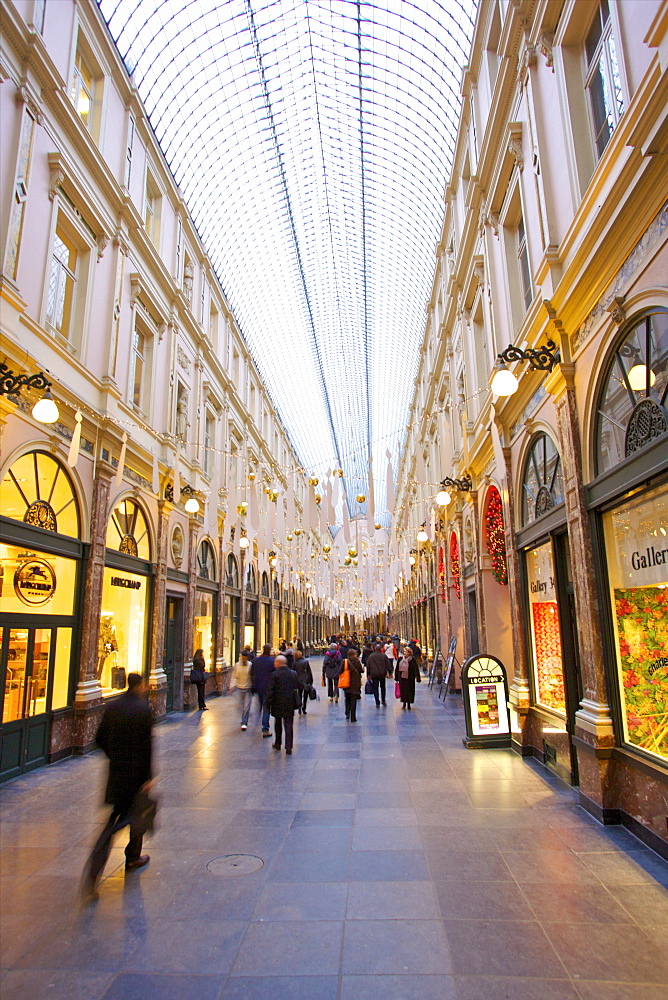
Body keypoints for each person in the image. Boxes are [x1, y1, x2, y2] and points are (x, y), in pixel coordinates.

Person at [81, 673, 154, 900]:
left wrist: (115, 758)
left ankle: (108, 866)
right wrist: (148, 778)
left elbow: (100, 738)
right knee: (136, 818)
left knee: (117, 821)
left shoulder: (113, 707)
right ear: (140, 686)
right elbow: (146, 748)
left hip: (117, 775)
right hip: (137, 779)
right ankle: (132, 858)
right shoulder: (143, 710)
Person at [266, 653, 298, 754]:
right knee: (289, 724)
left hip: (277, 702)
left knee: (278, 723)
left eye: (275, 662)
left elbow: (270, 690)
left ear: (279, 663)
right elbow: (296, 686)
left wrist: (268, 703)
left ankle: (278, 743)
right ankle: (289, 747)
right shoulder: (293, 673)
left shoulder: (274, 675)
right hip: (289, 702)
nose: (274, 664)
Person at [251, 643, 275, 736]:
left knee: (260, 706)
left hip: (258, 687)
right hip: (268, 688)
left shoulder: (255, 661)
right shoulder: (272, 661)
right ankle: (265, 728)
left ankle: (255, 723)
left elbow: (252, 674)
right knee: (266, 708)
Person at [231, 651, 253, 730]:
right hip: (239, 688)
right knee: (240, 706)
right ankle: (243, 718)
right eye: (242, 658)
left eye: (244, 658)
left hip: (248, 688)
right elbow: (234, 675)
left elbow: (252, 676)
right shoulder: (237, 665)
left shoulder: (250, 665)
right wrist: (232, 685)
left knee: (246, 707)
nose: (243, 660)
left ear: (247, 658)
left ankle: (244, 722)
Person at [344, 650, 362, 722]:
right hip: (355, 683)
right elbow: (361, 670)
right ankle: (353, 717)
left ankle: (347, 713)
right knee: (353, 700)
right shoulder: (357, 662)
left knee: (347, 698)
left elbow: (339, 671)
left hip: (346, 682)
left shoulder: (345, 662)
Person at [294, 648, 313, 715]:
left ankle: (299, 707)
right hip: (306, 680)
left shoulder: (294, 663)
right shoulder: (305, 662)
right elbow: (309, 671)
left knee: (299, 694)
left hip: (298, 680)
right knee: (305, 695)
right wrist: (311, 680)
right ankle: (304, 708)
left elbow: (293, 672)